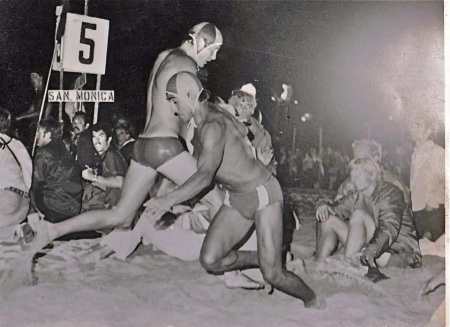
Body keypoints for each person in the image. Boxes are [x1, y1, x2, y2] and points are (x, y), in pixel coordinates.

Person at [30, 23, 224, 251]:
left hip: (144, 145)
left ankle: (53, 230)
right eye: (213, 50)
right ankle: (228, 265)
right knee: (221, 204)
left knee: (121, 216)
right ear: (201, 42)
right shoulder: (187, 64)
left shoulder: (164, 56)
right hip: (165, 145)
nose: (214, 57)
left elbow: (153, 104)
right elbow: (190, 116)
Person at [144, 72, 323, 308]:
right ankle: (268, 260)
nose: (174, 109)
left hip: (262, 193)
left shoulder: (212, 124)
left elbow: (205, 176)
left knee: (273, 276)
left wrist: (168, 200)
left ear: (189, 96)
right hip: (237, 197)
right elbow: (236, 131)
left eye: (174, 101)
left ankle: (312, 299)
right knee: (211, 259)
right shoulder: (208, 115)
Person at [315, 157, 421, 269]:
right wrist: (321, 204)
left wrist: (369, 252)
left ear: (372, 175)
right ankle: (319, 264)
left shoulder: (390, 194)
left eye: (358, 175)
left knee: (358, 215)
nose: (354, 180)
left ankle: (348, 266)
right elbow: (333, 209)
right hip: (372, 248)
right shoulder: (357, 196)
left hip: (398, 254)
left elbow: (388, 230)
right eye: (352, 176)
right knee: (329, 219)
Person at [31, 119, 83, 224]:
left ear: (48, 135)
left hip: (56, 206)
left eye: (39, 133)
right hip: (74, 206)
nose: (36, 136)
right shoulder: (63, 147)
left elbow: (36, 182)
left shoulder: (44, 152)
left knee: (30, 191)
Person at [409, 117, 445, 242]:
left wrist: (432, 204)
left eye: (418, 126)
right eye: (412, 125)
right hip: (416, 215)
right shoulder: (415, 153)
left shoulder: (439, 154)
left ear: (429, 130)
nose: (412, 129)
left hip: (431, 217)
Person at [0, 108, 33, 241]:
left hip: (4, 199)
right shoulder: (17, 144)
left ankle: (16, 230)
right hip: (21, 203)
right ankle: (18, 230)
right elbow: (28, 171)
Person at [81, 123, 128, 212]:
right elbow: (108, 184)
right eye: (94, 137)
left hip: (116, 207)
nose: (97, 140)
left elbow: (120, 182)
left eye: (101, 136)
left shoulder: (111, 155)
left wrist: (94, 177)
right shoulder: (102, 155)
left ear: (109, 139)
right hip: (110, 204)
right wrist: (92, 183)